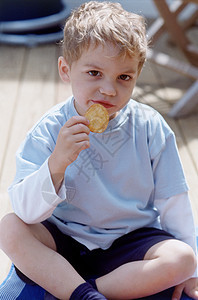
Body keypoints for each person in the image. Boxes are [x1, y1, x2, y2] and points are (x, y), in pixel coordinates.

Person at [0, 1, 198, 299]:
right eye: (94, 73)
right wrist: (56, 165)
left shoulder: (150, 126)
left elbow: (174, 201)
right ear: (66, 70)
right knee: (10, 227)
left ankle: (84, 292)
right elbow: (27, 212)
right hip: (65, 239)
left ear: (136, 76)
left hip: (131, 242)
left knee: (182, 258)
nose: (109, 89)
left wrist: (191, 273)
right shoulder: (49, 129)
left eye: (124, 77)